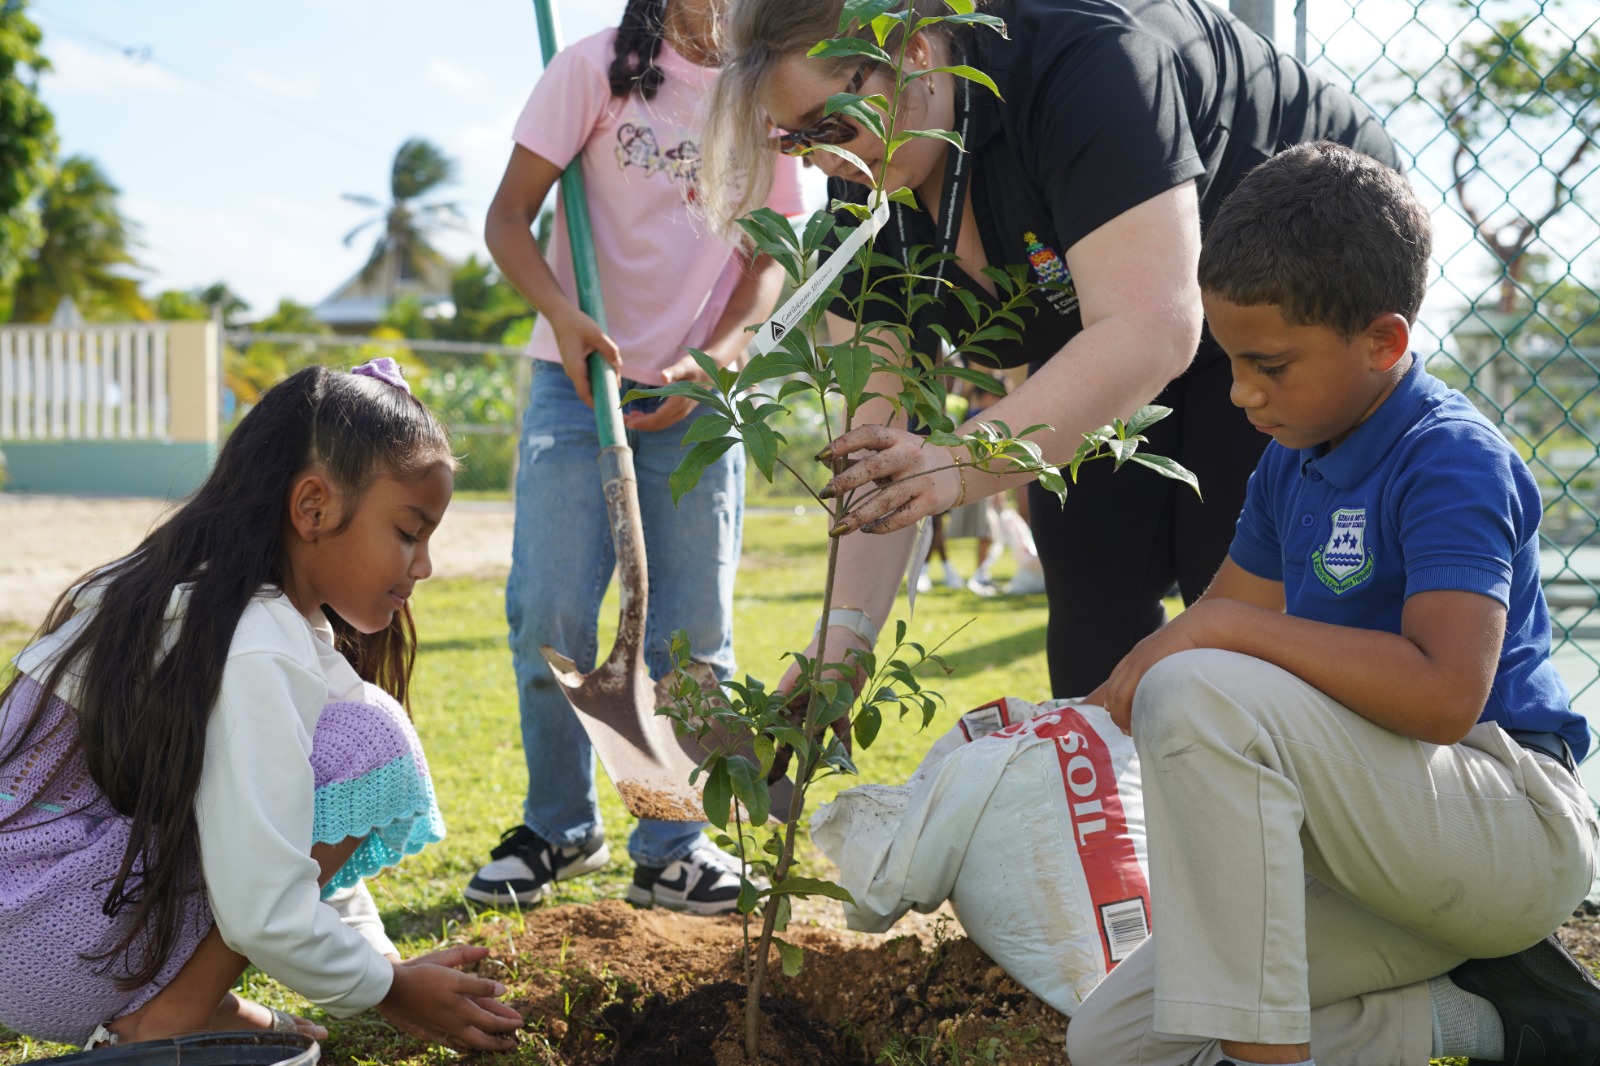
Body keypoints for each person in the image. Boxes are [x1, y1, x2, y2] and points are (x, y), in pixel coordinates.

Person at [1062, 142, 1600, 1066]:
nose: (1240, 393)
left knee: (1196, 688)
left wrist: (1215, 632)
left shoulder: (1450, 458)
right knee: (1114, 1044)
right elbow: (1211, 648)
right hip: (1381, 864)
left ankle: (1264, 1055)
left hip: (1504, 829)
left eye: (1270, 364)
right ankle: (1494, 1020)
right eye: (1231, 361)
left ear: (1384, 343)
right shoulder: (1291, 463)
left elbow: (1444, 698)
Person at [701, 0, 1397, 698]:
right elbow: (876, 445)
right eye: (794, 142)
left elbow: (1153, 327)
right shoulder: (866, 193)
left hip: (1297, 270)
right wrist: (840, 650)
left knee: (1234, 599)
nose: (826, 160)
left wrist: (956, 461)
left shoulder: (1084, 67)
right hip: (1125, 311)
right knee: (1093, 607)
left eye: (831, 126)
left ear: (910, 54)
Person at [0, 360, 522, 1053]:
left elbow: (302, 824)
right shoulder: (257, 638)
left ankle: (196, 1005)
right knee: (374, 739)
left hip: (33, 925)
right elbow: (264, 904)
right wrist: (391, 988)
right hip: (51, 939)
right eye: (408, 531)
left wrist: (380, 965)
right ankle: (166, 1019)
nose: (422, 565)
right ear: (311, 508)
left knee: (336, 757)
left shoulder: (200, 594)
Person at [464, 0, 803, 915]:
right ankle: (560, 825)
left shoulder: (764, 87)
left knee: (689, 640)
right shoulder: (593, 70)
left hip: (697, 401)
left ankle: (672, 846)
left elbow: (772, 254)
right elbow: (506, 219)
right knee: (553, 614)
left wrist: (724, 353)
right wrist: (564, 319)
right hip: (579, 388)